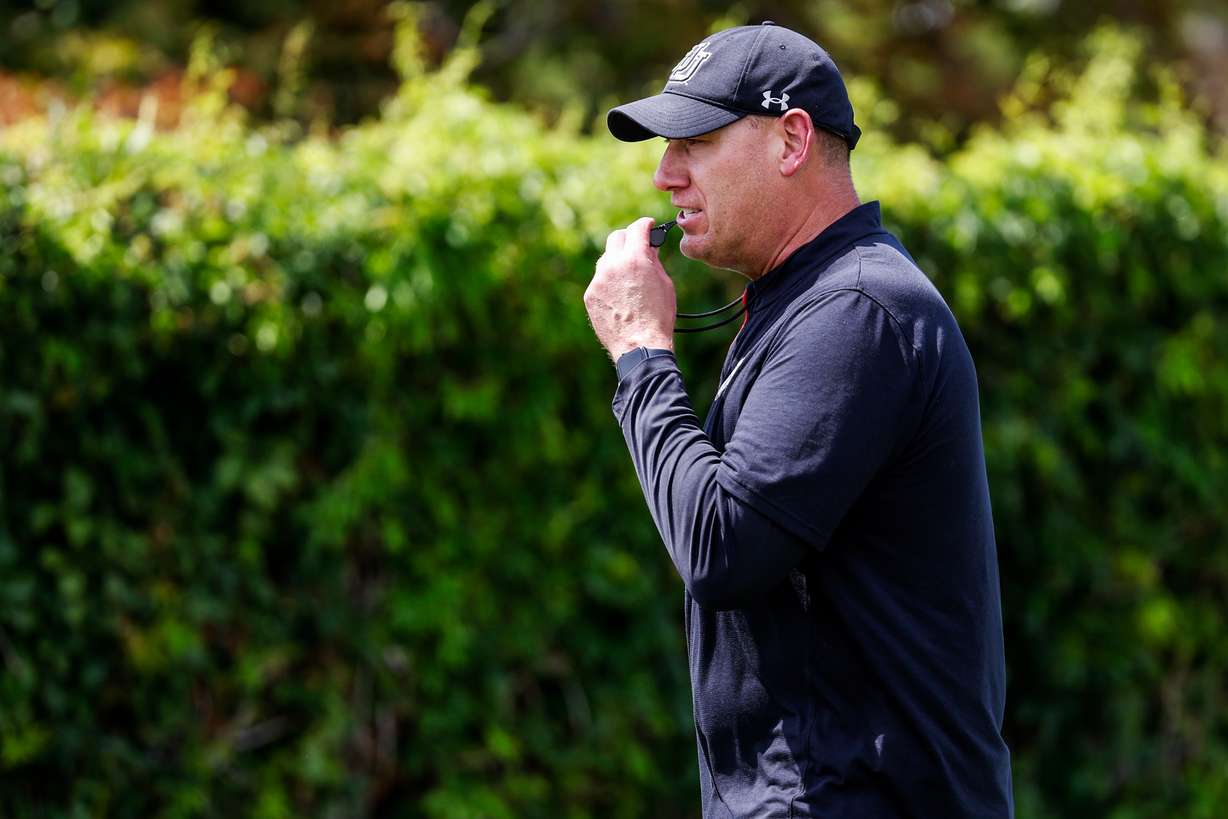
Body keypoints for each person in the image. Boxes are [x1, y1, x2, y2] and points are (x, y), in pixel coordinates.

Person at [582, 22, 1014, 819]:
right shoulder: (812, 303)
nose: (662, 176)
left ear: (790, 140)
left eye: (695, 142)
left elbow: (722, 546)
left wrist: (643, 355)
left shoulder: (856, 310)